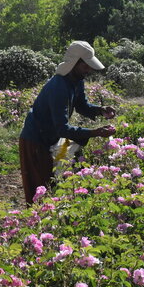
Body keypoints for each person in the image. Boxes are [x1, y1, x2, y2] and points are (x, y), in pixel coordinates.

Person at [19, 41, 116, 204]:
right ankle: (37, 226)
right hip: (35, 141)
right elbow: (63, 129)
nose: (89, 70)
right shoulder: (58, 87)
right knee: (40, 190)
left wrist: (100, 110)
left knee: (51, 184)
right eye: (86, 66)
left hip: (49, 137)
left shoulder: (76, 81)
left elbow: (82, 106)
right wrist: (95, 132)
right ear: (76, 63)